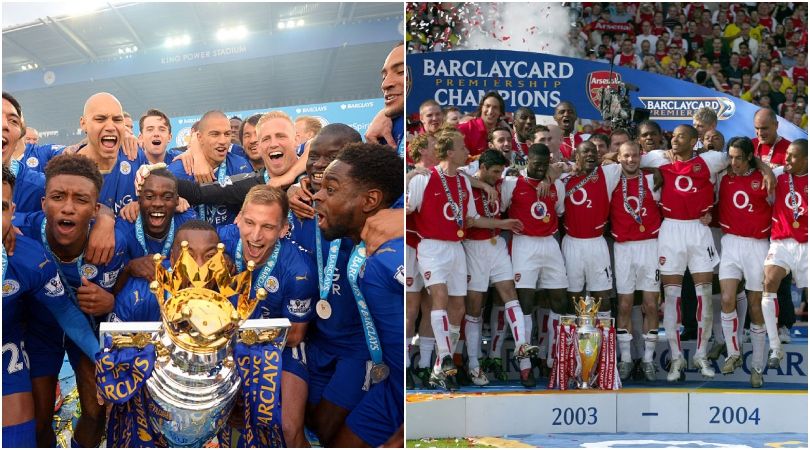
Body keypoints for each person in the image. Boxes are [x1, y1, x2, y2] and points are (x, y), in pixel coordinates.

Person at [640, 125, 773, 382]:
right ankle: (676, 358)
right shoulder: (659, 157)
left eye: (680, 137)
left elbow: (745, 155)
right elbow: (624, 158)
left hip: (699, 231)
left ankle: (701, 354)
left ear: (694, 141)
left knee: (704, 296)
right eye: (673, 136)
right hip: (671, 230)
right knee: (671, 298)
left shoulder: (710, 160)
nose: (674, 140)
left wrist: (766, 170)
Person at [13, 154, 129, 447]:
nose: (67, 207)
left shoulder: (115, 242)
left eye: (80, 199)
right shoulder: (18, 231)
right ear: (42, 204)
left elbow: (136, 277)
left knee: (96, 410)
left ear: (94, 209)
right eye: (57, 197)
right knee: (39, 419)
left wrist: (112, 301)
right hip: (40, 332)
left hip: (88, 330)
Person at [312, 142, 404, 447]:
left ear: (370, 201)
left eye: (331, 189)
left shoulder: (388, 261)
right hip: (389, 387)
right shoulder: (364, 243)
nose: (318, 196)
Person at [2, 165, 99, 448]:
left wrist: (101, 357)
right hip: (32, 332)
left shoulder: (28, 255)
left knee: (34, 428)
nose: (68, 207)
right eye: (58, 197)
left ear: (11, 213)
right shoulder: (28, 230)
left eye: (1, 207)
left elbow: (66, 312)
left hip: (8, 357)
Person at [406, 128, 511, 390]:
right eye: (462, 147)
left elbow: (471, 219)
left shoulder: (464, 181)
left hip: (456, 247)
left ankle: (439, 370)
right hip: (430, 247)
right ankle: (445, 357)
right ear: (450, 152)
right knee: (438, 298)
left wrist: (503, 223)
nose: (467, 151)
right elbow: (405, 211)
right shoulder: (423, 179)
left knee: (459, 309)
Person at [219, 185, 318, 447]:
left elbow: (295, 336)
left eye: (268, 226)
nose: (255, 235)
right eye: (249, 222)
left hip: (281, 346)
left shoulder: (300, 270)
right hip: (226, 344)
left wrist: (240, 343)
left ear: (284, 229)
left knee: (288, 428)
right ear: (238, 218)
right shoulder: (221, 242)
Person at [463, 149, 538, 386]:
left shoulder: (504, 183)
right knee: (475, 306)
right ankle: (474, 365)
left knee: (510, 295)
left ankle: (523, 356)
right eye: (494, 172)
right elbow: (470, 221)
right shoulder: (465, 180)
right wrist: (485, 188)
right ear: (481, 167)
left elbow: (537, 174)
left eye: (500, 172)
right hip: (473, 247)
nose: (498, 176)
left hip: (497, 246)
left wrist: (546, 177)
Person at [499, 144, 568, 383]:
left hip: (549, 243)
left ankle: (552, 360)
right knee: (525, 302)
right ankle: (525, 364)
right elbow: (501, 209)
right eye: (535, 164)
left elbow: (559, 211)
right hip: (523, 244)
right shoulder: (511, 184)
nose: (539, 168)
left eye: (543, 164)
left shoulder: (556, 184)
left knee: (559, 299)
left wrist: (552, 174)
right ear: (527, 161)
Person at [714, 137, 773, 387]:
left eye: (739, 157)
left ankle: (757, 366)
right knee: (727, 299)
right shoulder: (721, 175)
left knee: (755, 306)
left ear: (749, 156)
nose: (734, 162)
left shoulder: (766, 178)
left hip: (757, 245)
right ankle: (733, 353)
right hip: (730, 242)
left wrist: (765, 167)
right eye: (732, 157)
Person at [609, 142, 662, 381]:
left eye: (635, 156)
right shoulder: (611, 179)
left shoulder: (652, 180)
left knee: (651, 305)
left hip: (649, 245)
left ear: (642, 157)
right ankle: (627, 359)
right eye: (626, 156)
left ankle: (649, 360)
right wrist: (610, 156)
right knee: (624, 305)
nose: (631, 160)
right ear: (618, 158)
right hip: (623, 248)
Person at [112, 219, 219, 323]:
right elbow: (112, 339)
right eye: (189, 256)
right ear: (172, 259)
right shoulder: (138, 296)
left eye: (209, 256)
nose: (199, 267)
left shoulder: (232, 297)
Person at [761, 139, 807, 378]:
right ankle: (775, 347)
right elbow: (755, 162)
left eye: (793, 156)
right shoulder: (778, 174)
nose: (786, 160)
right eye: (787, 155)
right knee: (769, 282)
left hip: (807, 243)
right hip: (781, 241)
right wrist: (767, 168)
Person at [167, 110, 252, 227]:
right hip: (190, 242)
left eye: (227, 134)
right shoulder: (178, 169)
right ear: (199, 138)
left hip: (227, 242)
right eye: (215, 134)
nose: (223, 141)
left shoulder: (241, 166)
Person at [116, 168, 196, 282]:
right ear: (139, 200)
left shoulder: (188, 223)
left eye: (167, 197)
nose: (158, 203)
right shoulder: (124, 228)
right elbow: (111, 291)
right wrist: (129, 268)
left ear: (177, 200)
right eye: (149, 196)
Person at [457, 91, 506, 157]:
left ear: (500, 112)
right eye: (487, 106)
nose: (490, 111)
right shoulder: (464, 129)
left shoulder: (504, 133)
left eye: (495, 107)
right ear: (481, 108)